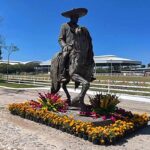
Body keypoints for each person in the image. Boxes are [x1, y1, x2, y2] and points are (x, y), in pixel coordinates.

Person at [58, 8, 95, 82]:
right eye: (75, 17)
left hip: (78, 47)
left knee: (88, 56)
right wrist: (65, 45)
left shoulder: (80, 28)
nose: (77, 19)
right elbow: (60, 39)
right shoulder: (64, 26)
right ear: (71, 17)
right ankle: (61, 74)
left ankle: (89, 74)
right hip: (68, 47)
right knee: (64, 56)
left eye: (77, 17)